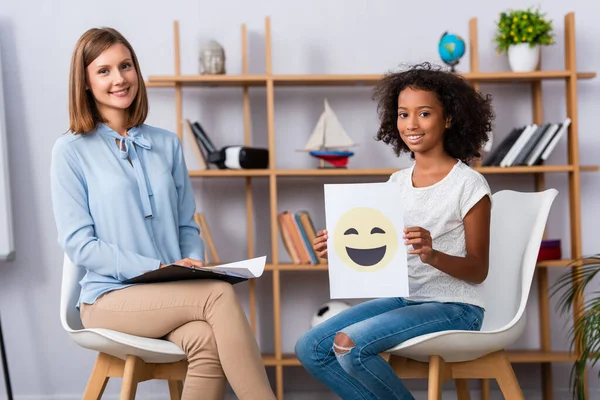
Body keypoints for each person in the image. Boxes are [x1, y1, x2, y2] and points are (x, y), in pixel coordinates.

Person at [50, 27, 276, 400]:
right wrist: (153, 269)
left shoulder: (167, 144)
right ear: (86, 82)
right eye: (104, 70)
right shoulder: (70, 151)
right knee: (217, 295)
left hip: (170, 293)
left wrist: (193, 265)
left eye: (125, 66)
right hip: (107, 298)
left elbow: (188, 224)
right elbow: (79, 244)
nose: (119, 78)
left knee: (206, 341)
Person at [295, 62, 494, 400]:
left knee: (349, 345)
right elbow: (384, 249)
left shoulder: (469, 184)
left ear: (448, 119)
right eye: (403, 114)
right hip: (404, 298)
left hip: (455, 306)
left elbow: (478, 270)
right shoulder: (396, 183)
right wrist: (340, 248)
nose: (411, 124)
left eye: (424, 113)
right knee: (311, 347)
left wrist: (432, 255)